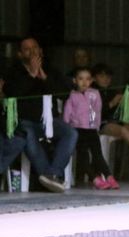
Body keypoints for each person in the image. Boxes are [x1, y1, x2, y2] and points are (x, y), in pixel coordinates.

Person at [4, 38, 78, 193]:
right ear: (19, 54)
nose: (32, 51)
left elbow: (65, 93)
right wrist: (31, 74)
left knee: (70, 133)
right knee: (28, 134)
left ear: (41, 51)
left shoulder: (50, 70)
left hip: (48, 122)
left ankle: (53, 173)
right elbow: (13, 93)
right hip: (24, 121)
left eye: (35, 47)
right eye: (27, 49)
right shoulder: (13, 72)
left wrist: (44, 77)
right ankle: (48, 176)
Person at [63, 67, 118, 190]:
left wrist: (95, 125)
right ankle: (95, 179)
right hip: (78, 130)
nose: (84, 82)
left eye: (87, 79)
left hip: (92, 129)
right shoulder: (72, 96)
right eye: (80, 79)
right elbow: (67, 113)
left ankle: (109, 177)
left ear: (92, 80)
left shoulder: (94, 94)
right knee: (83, 157)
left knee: (98, 155)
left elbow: (97, 110)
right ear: (74, 80)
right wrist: (68, 128)